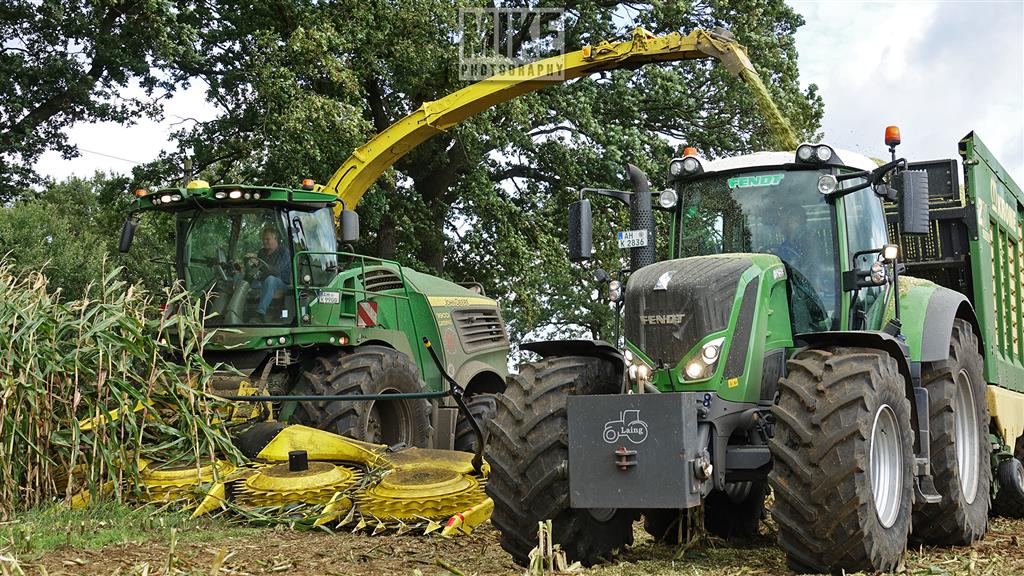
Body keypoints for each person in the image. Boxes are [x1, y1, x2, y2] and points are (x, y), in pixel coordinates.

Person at [245, 225, 291, 322]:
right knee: (241, 280)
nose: (264, 241)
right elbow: (257, 269)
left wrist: (258, 262)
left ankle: (260, 313)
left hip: (281, 282)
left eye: (267, 239)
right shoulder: (262, 252)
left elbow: (276, 271)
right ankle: (238, 312)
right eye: (263, 239)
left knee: (271, 280)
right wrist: (250, 263)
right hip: (263, 281)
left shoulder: (284, 252)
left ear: (275, 238)